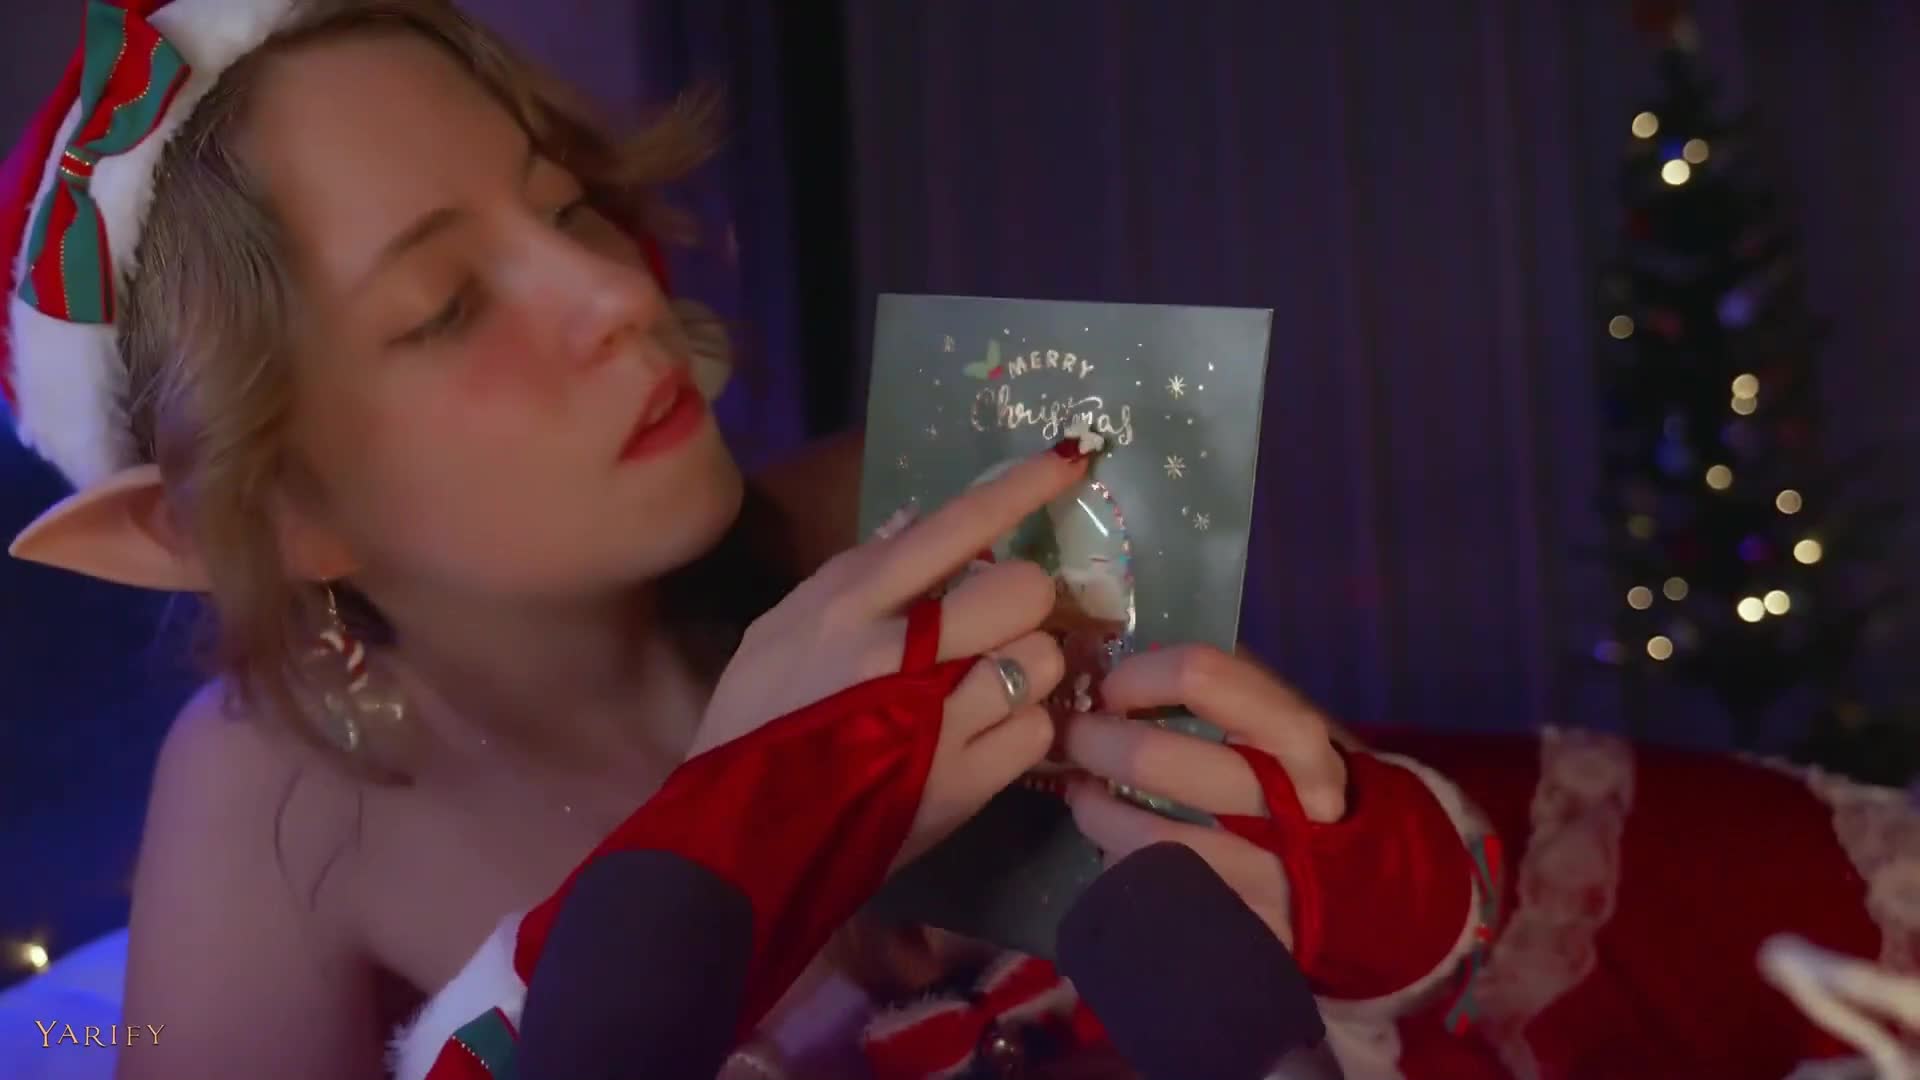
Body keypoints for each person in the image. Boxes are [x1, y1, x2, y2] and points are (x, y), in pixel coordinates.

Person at [0, 2, 1909, 1079]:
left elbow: (1319, 943)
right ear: (289, 509)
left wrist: (1380, 881)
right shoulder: (263, 790)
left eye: (566, 203)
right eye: (443, 308)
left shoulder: (899, 514)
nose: (615, 290)